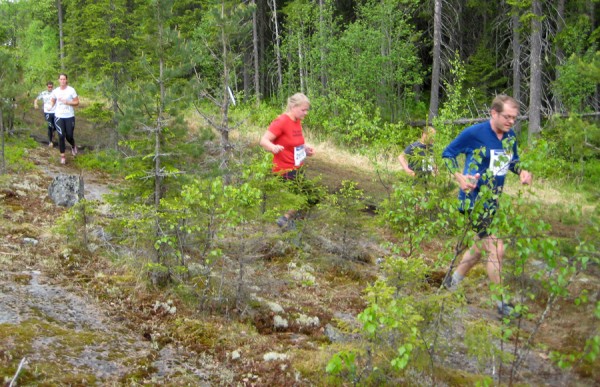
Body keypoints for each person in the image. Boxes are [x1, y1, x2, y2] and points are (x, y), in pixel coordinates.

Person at [442, 94, 532, 318]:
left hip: (492, 202)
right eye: (507, 117)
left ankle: (452, 282)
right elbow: (448, 154)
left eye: (514, 118)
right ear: (494, 113)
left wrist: (522, 171)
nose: (511, 122)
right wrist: (459, 177)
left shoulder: (510, 136)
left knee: (479, 247)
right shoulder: (475, 133)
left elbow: (512, 160)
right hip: (472, 200)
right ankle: (502, 305)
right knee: (496, 248)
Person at [259, 93, 315, 229]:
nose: (306, 113)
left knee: (312, 197)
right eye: (303, 110)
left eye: (307, 110)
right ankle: (285, 219)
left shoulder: (297, 121)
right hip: (284, 168)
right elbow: (263, 140)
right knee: (302, 197)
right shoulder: (282, 121)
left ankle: (294, 223)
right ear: (293, 107)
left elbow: (295, 143)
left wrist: (305, 148)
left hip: (297, 166)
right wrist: (273, 147)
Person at [50, 74, 79, 164]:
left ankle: (73, 145)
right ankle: (62, 155)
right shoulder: (55, 91)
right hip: (59, 116)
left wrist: (68, 102)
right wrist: (50, 106)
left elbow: (77, 102)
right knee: (61, 135)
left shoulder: (71, 90)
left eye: (64, 79)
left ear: (66, 80)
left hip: (69, 116)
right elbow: (53, 100)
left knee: (69, 136)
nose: (62, 81)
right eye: (61, 79)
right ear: (58, 80)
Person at [34, 81, 57, 147]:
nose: (50, 88)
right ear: (47, 86)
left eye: (51, 87)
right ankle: (50, 141)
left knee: (56, 126)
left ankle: (53, 131)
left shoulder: (55, 93)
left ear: (53, 86)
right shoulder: (43, 93)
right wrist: (35, 104)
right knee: (50, 125)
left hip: (56, 112)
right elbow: (36, 99)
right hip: (47, 112)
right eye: (49, 87)